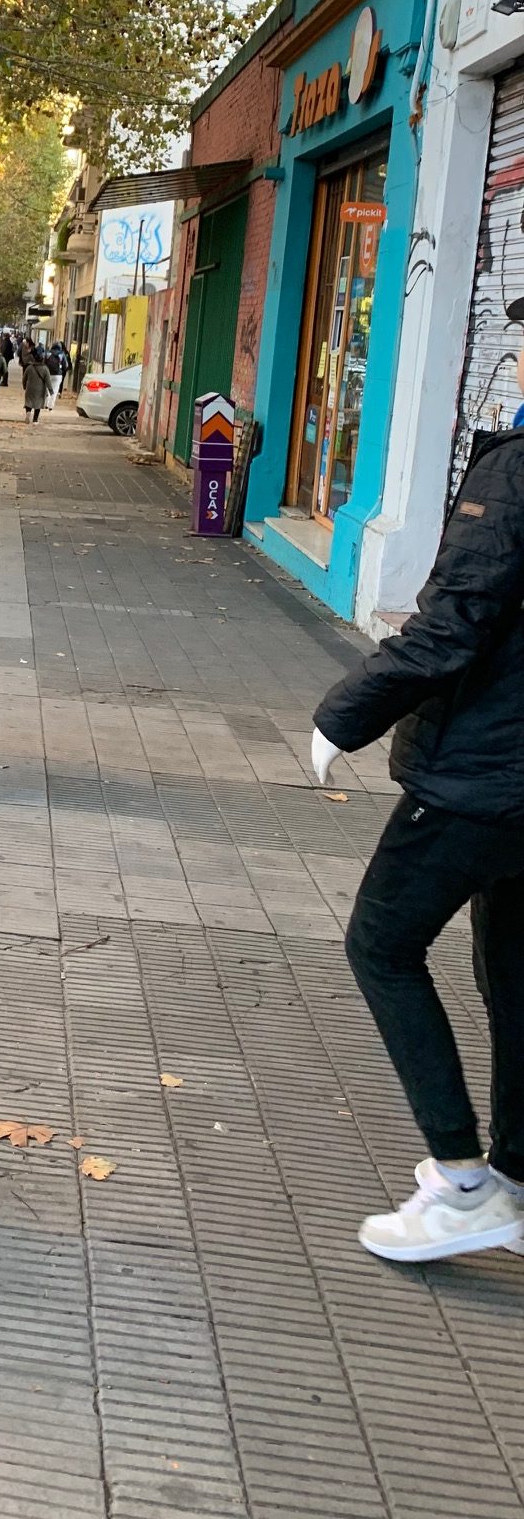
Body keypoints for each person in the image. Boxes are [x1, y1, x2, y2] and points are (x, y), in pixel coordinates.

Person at [311, 371, 524, 1263]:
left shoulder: (515, 472)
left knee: (382, 945)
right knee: (514, 968)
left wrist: (344, 713)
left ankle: (464, 1180)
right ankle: (514, 1179)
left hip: (484, 772)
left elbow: (452, 626)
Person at [19, 337, 50, 423]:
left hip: (30, 388)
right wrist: (50, 391)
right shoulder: (45, 369)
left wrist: (24, 386)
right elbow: (48, 381)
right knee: (38, 404)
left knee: (29, 402)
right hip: (40, 389)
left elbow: (24, 378)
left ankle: (28, 412)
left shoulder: (29, 367)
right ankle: (35, 419)